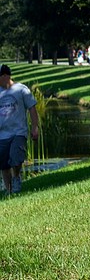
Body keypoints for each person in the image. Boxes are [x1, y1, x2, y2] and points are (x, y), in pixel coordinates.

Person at [0, 65, 40, 195]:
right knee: (4, 165)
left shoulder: (21, 90)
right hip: (2, 134)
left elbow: (32, 109)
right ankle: (9, 189)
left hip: (18, 132)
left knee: (16, 159)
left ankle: (16, 177)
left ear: (6, 76)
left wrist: (35, 127)